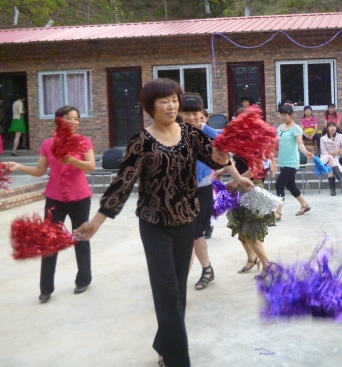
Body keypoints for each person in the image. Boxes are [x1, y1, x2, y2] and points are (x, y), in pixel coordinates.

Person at [73, 78, 254, 367]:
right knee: (166, 295)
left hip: (186, 221)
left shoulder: (190, 134)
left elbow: (216, 159)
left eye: (174, 100)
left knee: (177, 293)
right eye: (164, 101)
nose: (171, 106)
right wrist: (97, 221)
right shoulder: (141, 141)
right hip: (155, 225)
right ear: (150, 106)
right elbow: (123, 182)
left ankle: (163, 343)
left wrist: (229, 160)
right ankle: (177, 359)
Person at [3, 105, 96, 303]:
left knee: (80, 238)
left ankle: (84, 279)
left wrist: (72, 161)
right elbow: (39, 171)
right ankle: (46, 289)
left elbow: (91, 166)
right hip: (55, 199)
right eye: (69, 118)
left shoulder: (84, 141)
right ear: (58, 120)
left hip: (80, 198)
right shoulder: (48, 144)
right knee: (49, 242)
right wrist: (19, 166)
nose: (74, 122)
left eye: (76, 119)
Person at [180, 94, 217, 290]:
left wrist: (237, 177)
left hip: (203, 189)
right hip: (181, 191)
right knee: (188, 235)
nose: (191, 117)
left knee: (194, 234)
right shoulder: (175, 131)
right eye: (187, 113)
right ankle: (206, 269)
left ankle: (183, 279)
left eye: (195, 113)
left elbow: (224, 151)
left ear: (201, 114)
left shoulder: (208, 132)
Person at [225, 153, 275, 278]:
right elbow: (238, 163)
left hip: (250, 188)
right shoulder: (241, 143)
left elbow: (257, 167)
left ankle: (268, 265)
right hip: (242, 189)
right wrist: (222, 171)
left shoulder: (256, 145)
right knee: (241, 228)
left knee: (251, 231)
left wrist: (236, 180)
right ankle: (253, 258)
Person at [273, 102, 314, 218]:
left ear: (291, 115)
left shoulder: (296, 128)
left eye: (285, 115)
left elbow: (300, 144)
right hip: (283, 161)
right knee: (291, 186)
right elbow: (276, 143)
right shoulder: (280, 128)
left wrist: (306, 152)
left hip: (292, 162)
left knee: (279, 184)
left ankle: (278, 211)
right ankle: (305, 204)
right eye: (281, 115)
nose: (283, 117)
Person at [319, 121, 342, 196]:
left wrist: (337, 152)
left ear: (336, 127)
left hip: (337, 158)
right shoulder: (323, 138)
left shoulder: (340, 136)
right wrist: (335, 152)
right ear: (327, 128)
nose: (332, 128)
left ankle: (333, 191)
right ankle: (339, 177)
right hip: (325, 158)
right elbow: (324, 152)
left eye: (334, 126)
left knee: (330, 169)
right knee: (330, 157)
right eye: (330, 126)